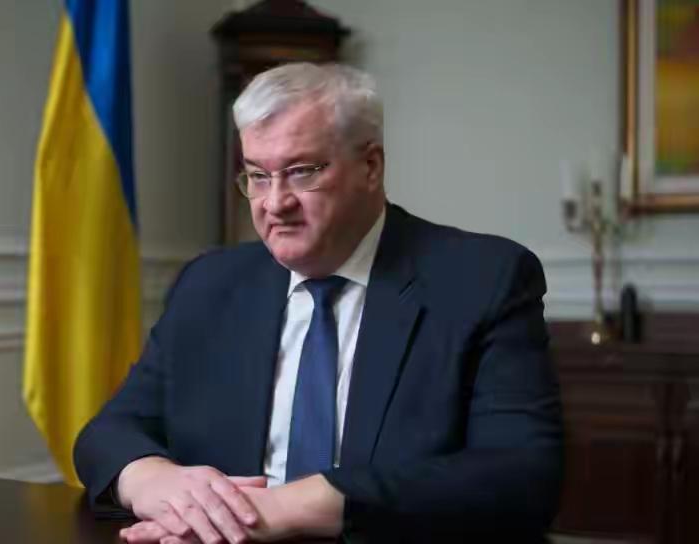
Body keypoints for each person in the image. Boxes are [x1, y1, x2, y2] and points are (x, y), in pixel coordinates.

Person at [74, 62, 562, 543]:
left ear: (370, 167)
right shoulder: (209, 284)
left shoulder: (482, 279)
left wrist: (296, 506)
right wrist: (153, 481)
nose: (275, 203)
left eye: (301, 172)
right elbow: (108, 432)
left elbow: (521, 477)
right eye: (257, 176)